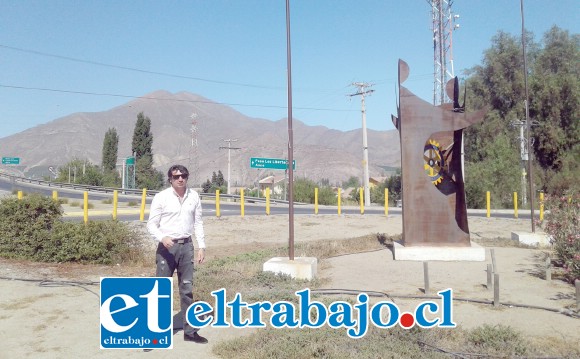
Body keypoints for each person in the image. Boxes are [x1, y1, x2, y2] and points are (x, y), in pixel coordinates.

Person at [146, 164, 208, 344]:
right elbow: (151, 224)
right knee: (162, 289)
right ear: (170, 179)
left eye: (184, 175)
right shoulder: (161, 197)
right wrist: (162, 237)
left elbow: (198, 223)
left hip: (187, 246)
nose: (180, 179)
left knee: (187, 289)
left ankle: (190, 332)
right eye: (176, 176)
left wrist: (201, 246)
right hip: (167, 247)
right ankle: (157, 332)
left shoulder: (194, 196)